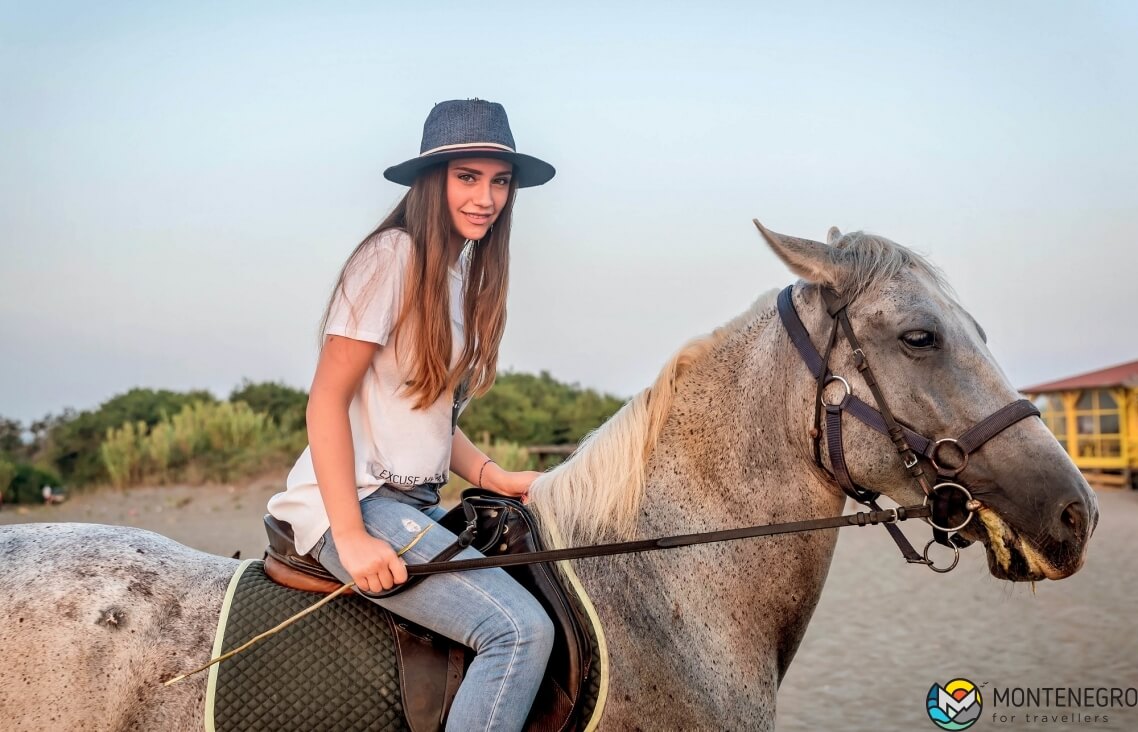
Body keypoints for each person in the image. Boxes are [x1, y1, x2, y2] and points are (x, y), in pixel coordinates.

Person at [267, 99, 556, 732]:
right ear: (434, 180)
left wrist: (494, 474)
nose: (486, 197)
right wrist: (349, 534)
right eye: (468, 177)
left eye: (499, 181)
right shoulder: (391, 256)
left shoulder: (457, 272)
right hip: (359, 500)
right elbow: (325, 402)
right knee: (519, 631)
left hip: (415, 503)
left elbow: (425, 410)